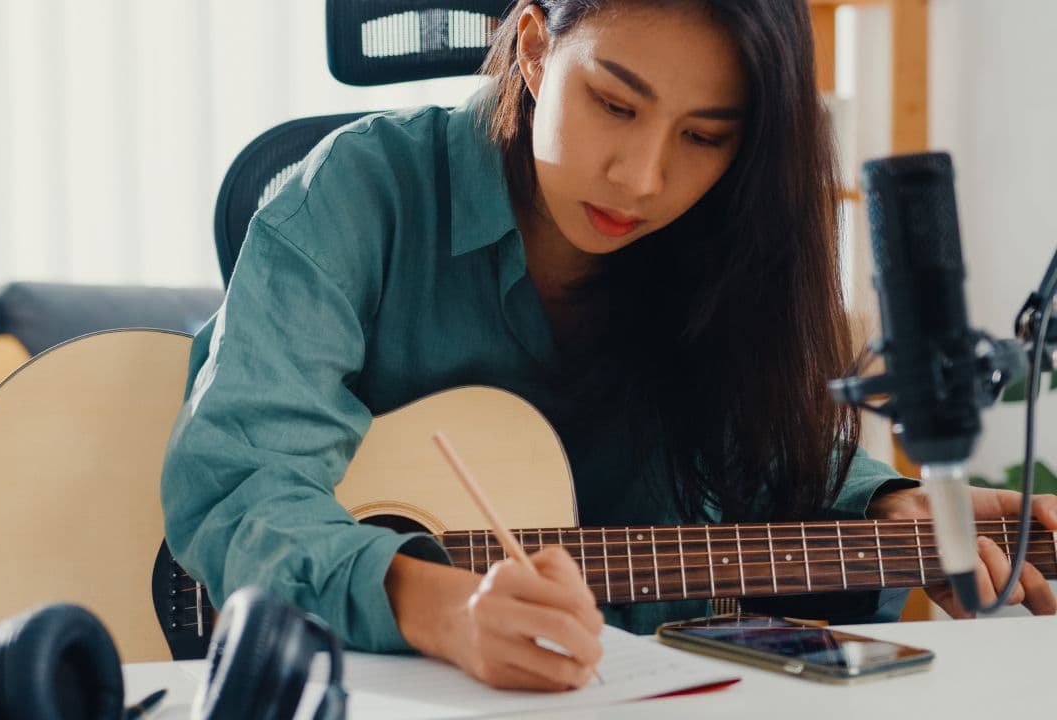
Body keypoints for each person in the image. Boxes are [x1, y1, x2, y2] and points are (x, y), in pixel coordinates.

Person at [162, 0, 1057, 692]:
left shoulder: (724, 245)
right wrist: (437, 606)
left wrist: (885, 507)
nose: (644, 178)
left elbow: (759, 448)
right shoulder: (359, 191)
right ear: (535, 47)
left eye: (705, 137)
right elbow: (242, 482)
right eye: (615, 102)